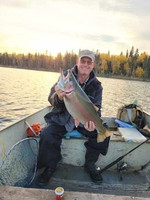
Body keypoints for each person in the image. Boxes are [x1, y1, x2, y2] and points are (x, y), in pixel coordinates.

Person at [37, 50, 110, 185]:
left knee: (104, 132)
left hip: (83, 120)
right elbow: (51, 98)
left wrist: (93, 123)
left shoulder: (97, 86)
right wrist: (58, 97)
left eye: (89, 62)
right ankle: (49, 167)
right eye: (83, 61)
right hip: (62, 119)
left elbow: (97, 107)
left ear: (93, 65)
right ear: (77, 62)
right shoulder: (66, 77)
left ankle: (90, 164)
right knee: (47, 134)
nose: (85, 65)